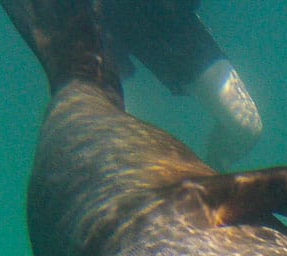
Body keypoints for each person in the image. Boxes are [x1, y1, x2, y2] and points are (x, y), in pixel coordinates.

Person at [102, 0, 263, 168]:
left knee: (245, 129)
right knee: (118, 152)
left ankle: (205, 177)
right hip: (90, 24)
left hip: (167, 20)